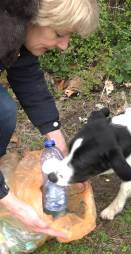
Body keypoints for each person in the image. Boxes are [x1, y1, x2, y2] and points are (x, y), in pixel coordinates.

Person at [0, 0, 99, 238]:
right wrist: (11, 202)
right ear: (35, 19)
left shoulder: (14, 26)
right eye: (59, 34)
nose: (64, 46)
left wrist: (59, 144)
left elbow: (25, 75)